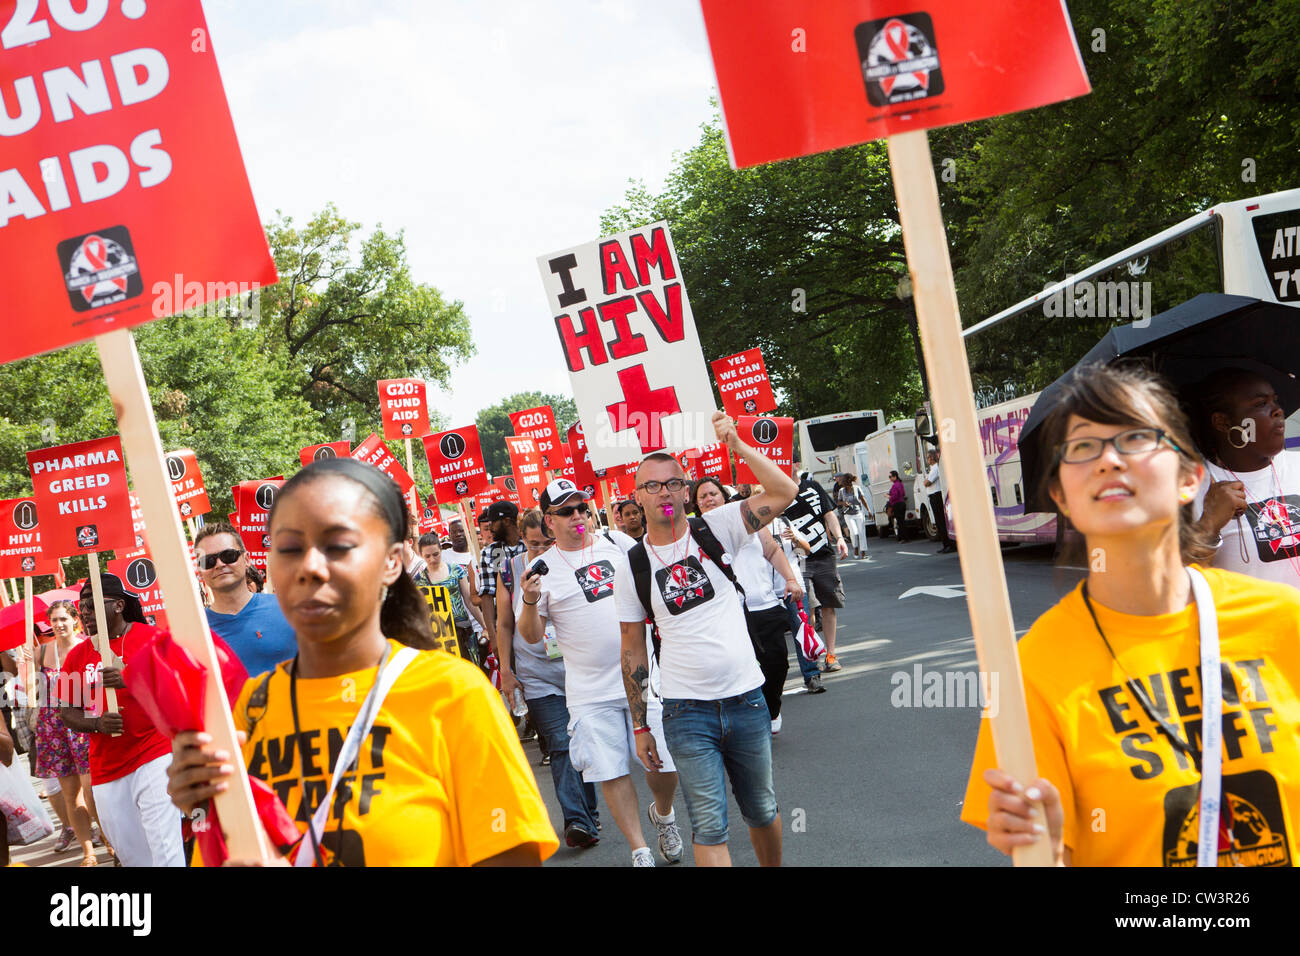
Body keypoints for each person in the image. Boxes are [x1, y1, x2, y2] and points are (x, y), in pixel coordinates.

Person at [964, 363, 1300, 866]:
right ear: (1061, 496)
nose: (1108, 460)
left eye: (1135, 438)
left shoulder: (1283, 622)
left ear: (1189, 476)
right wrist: (1048, 852)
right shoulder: (1032, 671)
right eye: (1082, 447)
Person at [166, 457, 559, 866]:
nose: (310, 566)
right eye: (288, 548)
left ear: (391, 562)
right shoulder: (251, 712)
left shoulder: (453, 694)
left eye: (337, 545)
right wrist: (205, 811)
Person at [616, 412, 798, 866]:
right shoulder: (632, 566)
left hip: (746, 699)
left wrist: (737, 446)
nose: (663, 492)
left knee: (762, 810)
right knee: (709, 823)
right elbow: (633, 649)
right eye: (652, 485)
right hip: (685, 710)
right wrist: (640, 727)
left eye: (673, 483)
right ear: (636, 496)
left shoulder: (716, 527)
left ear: (685, 488)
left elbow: (784, 492)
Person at [518, 480, 683, 866]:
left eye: (581, 507)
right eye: (566, 511)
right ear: (549, 522)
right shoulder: (540, 570)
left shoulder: (618, 545)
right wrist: (528, 599)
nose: (577, 516)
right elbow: (530, 635)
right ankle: (639, 849)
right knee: (609, 770)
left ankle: (664, 814)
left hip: (642, 679)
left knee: (664, 763)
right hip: (590, 692)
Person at [58, 574, 184, 866]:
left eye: (91, 605)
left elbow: (179, 686)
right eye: (81, 607)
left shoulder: (152, 639)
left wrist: (131, 680)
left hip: (154, 753)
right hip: (106, 766)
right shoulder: (77, 656)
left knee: (166, 847)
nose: (84, 613)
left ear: (118, 605)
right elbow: (67, 711)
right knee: (131, 856)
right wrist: (97, 724)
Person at [497, 508, 602, 850]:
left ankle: (588, 811)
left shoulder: (570, 562)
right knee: (559, 743)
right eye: (533, 544)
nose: (541, 551)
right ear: (522, 540)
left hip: (577, 670)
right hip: (538, 675)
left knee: (582, 741)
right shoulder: (512, 571)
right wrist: (507, 672)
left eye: (546, 543)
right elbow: (504, 624)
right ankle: (576, 820)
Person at [692, 477, 803, 732]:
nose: (709, 499)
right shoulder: (695, 532)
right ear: (696, 504)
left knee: (777, 663)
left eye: (713, 493)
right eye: (703, 497)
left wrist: (790, 579)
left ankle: (771, 709)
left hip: (763, 605)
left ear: (724, 496)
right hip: (728, 616)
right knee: (742, 670)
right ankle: (752, 722)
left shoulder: (746, 518)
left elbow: (773, 550)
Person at [1188, 366, 1300, 590]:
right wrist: (1209, 525)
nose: (1277, 410)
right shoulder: (1191, 489)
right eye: (1261, 404)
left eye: (1274, 400)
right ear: (1223, 422)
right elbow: (1177, 585)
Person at [33, 600, 104, 865]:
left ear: (75, 619)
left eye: (64, 619)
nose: (59, 624)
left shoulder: (89, 646)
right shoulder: (41, 652)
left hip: (83, 724)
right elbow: (35, 690)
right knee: (70, 793)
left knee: (91, 790)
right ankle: (88, 850)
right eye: (54, 620)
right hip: (53, 727)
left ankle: (108, 839)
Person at [196, 520, 298, 678]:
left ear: (247, 560)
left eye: (229, 555)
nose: (220, 564)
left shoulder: (289, 608)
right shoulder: (196, 631)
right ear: (200, 572)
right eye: (208, 561)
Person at [784, 471, 851, 672]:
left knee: (829, 605)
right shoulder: (777, 492)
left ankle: (831, 654)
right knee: (808, 609)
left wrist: (839, 538)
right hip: (798, 559)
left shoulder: (812, 487)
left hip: (823, 555)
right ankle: (813, 656)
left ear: (795, 464)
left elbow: (829, 514)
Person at [768, 513, 826, 693]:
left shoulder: (783, 522)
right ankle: (772, 683)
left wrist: (795, 539)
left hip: (794, 587)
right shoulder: (751, 528)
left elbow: (806, 549)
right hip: (765, 592)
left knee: (802, 630)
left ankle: (812, 676)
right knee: (770, 640)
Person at [415, 531, 486, 665]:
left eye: (435, 554)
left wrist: (484, 625)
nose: (432, 559)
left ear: (441, 550)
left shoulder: (455, 570)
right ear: (421, 556)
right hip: (442, 637)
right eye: (427, 556)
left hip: (464, 630)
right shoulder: (419, 581)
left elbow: (469, 600)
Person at [477, 501, 524, 652]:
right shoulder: (490, 552)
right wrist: (494, 635)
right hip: (508, 630)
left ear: (507, 521)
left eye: (493, 523)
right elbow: (487, 595)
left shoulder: (530, 545)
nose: (490, 529)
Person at [924, 449, 955, 553]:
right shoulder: (932, 468)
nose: (927, 459)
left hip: (936, 496)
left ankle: (949, 544)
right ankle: (945, 544)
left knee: (941, 521)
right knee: (939, 522)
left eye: (928, 457)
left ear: (932, 457)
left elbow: (927, 483)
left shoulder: (935, 468)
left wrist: (926, 481)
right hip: (933, 496)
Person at [836, 473, 872, 559]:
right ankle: (855, 547)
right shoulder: (841, 491)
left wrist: (869, 510)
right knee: (854, 532)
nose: (843, 484)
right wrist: (844, 503)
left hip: (859, 513)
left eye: (844, 482)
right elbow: (838, 502)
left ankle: (863, 551)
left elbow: (863, 500)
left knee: (861, 533)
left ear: (849, 482)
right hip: (848, 515)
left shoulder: (857, 488)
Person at [886, 470, 909, 541]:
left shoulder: (895, 485)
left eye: (890, 477)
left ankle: (903, 538)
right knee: (902, 521)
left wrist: (888, 497)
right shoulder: (900, 484)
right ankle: (904, 537)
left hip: (897, 505)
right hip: (902, 503)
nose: (889, 478)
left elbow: (895, 496)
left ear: (895, 477)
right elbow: (903, 493)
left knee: (900, 522)